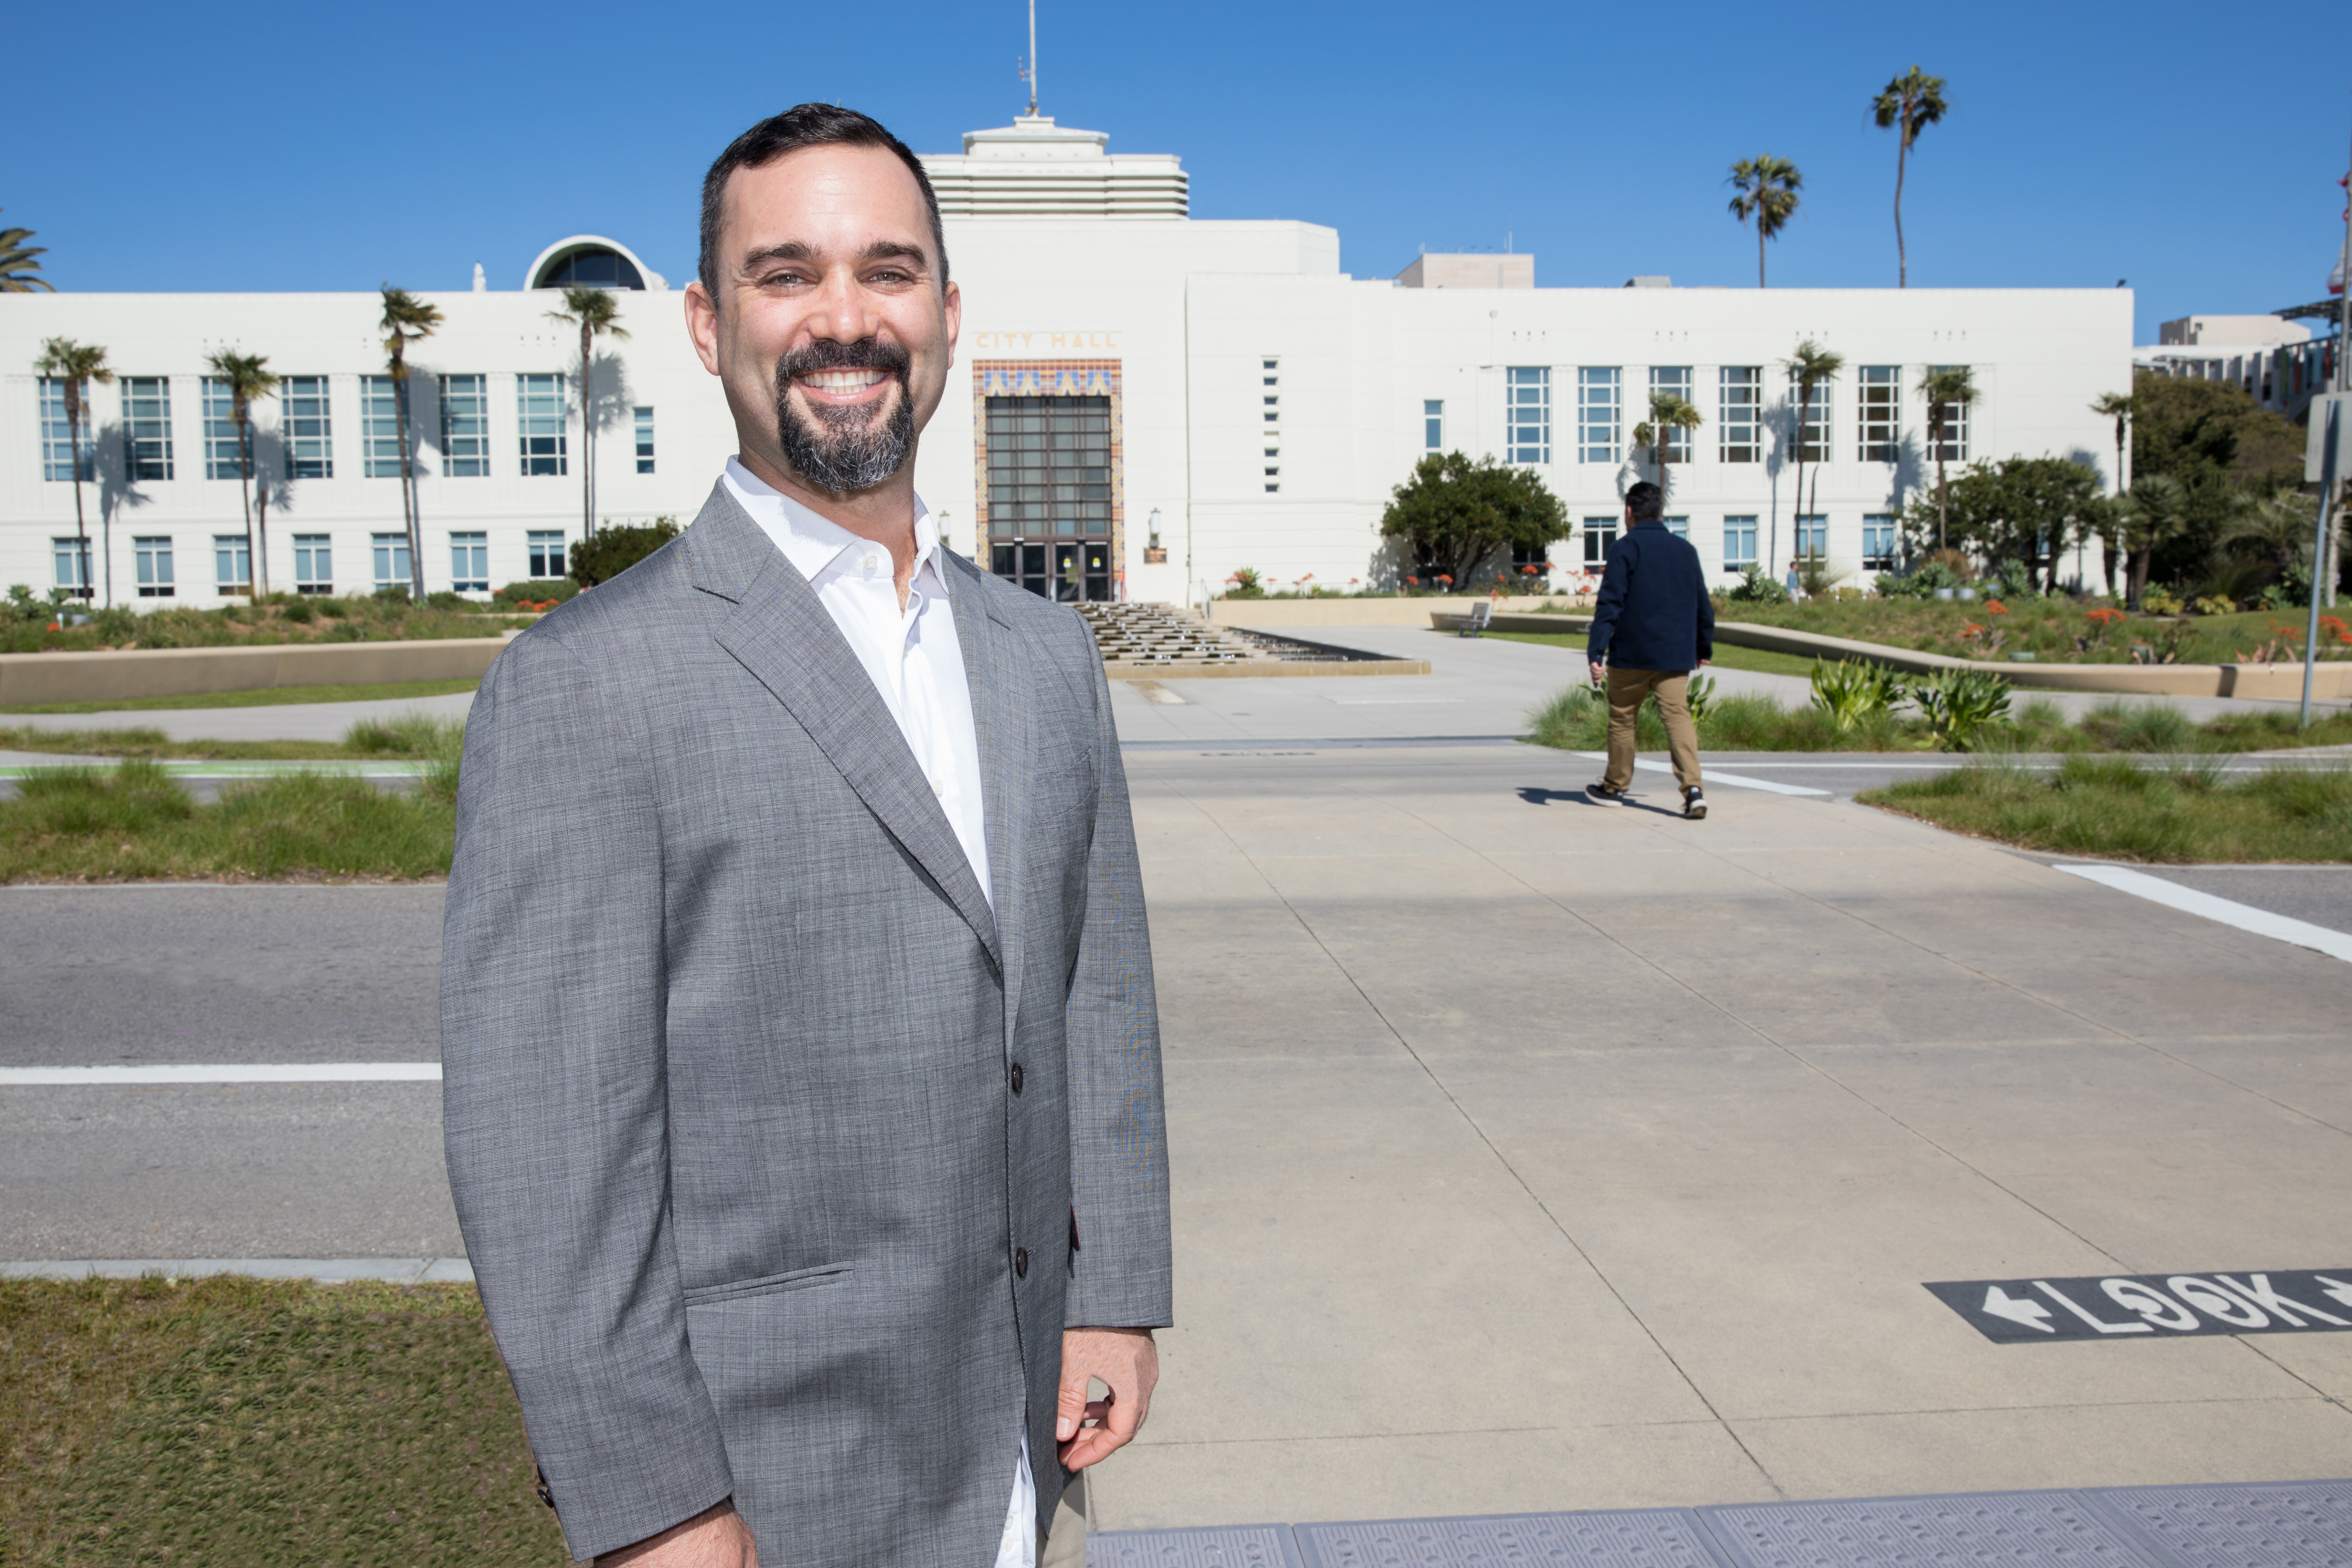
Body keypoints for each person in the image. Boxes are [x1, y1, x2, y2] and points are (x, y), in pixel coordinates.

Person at [440, 104, 1171, 1568]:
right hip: (770, 1491)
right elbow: (550, 1161)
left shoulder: (1045, 657)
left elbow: (1099, 995)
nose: (848, 319)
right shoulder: (583, 685)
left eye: (889, 272)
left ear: (948, 317)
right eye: (788, 276)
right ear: (710, 326)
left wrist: (1118, 1286)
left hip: (1031, 1453)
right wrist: (659, 1509)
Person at [1584, 480, 1712, 820]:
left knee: (1623, 719)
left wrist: (1596, 652)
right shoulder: (1686, 551)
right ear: (1660, 511)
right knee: (1678, 717)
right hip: (1673, 656)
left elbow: (1610, 604)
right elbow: (1702, 604)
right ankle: (1694, 791)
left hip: (1632, 656)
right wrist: (1703, 646)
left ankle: (1615, 788)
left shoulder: (1625, 548)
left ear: (1630, 512)